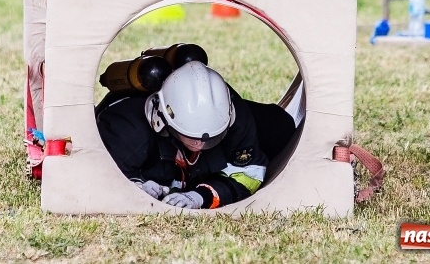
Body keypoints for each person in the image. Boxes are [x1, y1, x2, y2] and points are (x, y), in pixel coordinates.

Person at [96, 60, 301, 209]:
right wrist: (133, 184)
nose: (200, 145)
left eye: (209, 139)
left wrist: (201, 196)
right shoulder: (127, 128)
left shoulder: (235, 118)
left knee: (281, 129)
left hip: (259, 121)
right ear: (162, 121)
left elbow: (249, 172)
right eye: (190, 136)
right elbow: (99, 171)